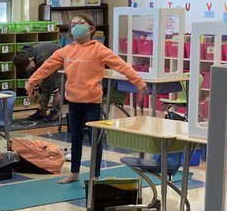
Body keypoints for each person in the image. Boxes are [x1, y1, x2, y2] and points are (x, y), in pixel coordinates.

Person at [26, 13, 147, 184]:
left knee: (94, 139)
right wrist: (31, 82)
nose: (75, 26)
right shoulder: (66, 50)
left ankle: (95, 175)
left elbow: (122, 66)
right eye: (73, 24)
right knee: (75, 138)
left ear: (90, 29)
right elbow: (46, 68)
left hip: (92, 103)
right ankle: (74, 172)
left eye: (80, 23)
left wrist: (139, 82)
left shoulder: (99, 49)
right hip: (74, 103)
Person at [13, 39, 60, 121]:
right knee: (45, 85)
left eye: (30, 68)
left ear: (31, 59)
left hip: (60, 63)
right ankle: (42, 111)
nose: (31, 69)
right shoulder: (25, 57)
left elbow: (49, 75)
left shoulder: (41, 58)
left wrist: (56, 92)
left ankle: (55, 111)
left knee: (57, 84)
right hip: (47, 64)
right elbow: (33, 74)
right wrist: (36, 90)